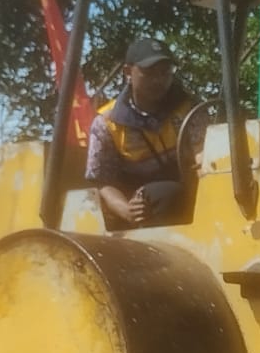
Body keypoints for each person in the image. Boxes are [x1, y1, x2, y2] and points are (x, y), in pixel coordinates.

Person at [85, 36, 204, 229]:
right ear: (128, 72)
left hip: (190, 195)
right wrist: (126, 210)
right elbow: (103, 181)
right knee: (161, 194)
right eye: (149, 73)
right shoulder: (107, 123)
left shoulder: (189, 109)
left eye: (165, 72)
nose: (158, 80)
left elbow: (203, 154)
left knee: (170, 193)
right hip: (140, 206)